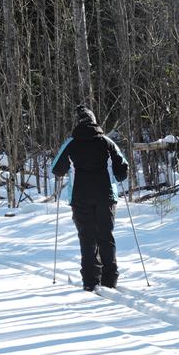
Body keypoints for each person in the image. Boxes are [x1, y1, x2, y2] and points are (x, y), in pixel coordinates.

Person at [52, 105, 129, 291]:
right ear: (95, 121)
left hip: (80, 197)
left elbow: (57, 169)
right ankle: (110, 280)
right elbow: (123, 170)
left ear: (78, 123)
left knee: (87, 238)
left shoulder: (71, 143)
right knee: (106, 236)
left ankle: (91, 280)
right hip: (106, 196)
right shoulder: (107, 142)